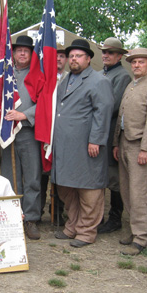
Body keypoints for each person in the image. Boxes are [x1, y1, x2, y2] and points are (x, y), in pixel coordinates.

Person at [51, 39, 114, 248]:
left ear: (88, 59)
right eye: (71, 56)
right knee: (67, 188)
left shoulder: (99, 81)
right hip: (65, 146)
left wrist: (96, 140)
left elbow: (102, 113)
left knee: (89, 190)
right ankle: (72, 226)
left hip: (87, 146)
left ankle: (86, 232)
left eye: (78, 56)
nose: (74, 59)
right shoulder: (66, 79)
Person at [112, 47, 147, 255]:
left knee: (140, 193)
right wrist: (116, 142)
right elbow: (122, 116)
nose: (136, 65)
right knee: (127, 191)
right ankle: (135, 231)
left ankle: (141, 238)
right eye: (134, 62)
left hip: (140, 145)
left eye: (141, 62)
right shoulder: (132, 84)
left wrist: (146, 148)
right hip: (125, 142)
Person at [0, 35, 43, 240]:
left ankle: (31, 219)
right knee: (10, 177)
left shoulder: (37, 75)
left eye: (27, 50)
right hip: (8, 133)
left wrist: (25, 115)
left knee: (32, 177)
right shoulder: (3, 75)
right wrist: (1, 115)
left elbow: (45, 102)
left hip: (28, 132)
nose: (23, 53)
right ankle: (13, 216)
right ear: (13, 53)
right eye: (19, 50)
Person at [97, 37, 132, 234]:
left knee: (114, 179)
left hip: (110, 133)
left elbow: (113, 105)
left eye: (110, 52)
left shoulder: (122, 76)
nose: (106, 55)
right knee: (99, 176)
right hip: (97, 132)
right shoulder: (99, 73)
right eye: (104, 52)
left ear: (119, 56)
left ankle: (115, 217)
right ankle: (97, 215)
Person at [40, 43, 67, 225]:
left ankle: (57, 212)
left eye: (62, 56)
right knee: (41, 173)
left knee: (60, 175)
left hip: (63, 133)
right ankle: (39, 208)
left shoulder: (70, 78)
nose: (58, 59)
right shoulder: (43, 77)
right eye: (56, 55)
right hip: (44, 131)